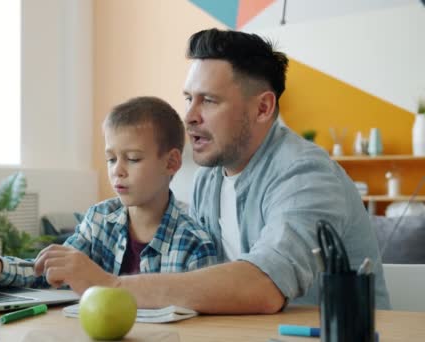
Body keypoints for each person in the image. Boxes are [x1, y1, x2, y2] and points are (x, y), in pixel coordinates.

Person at [33, 28, 391, 313]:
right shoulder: (210, 176)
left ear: (263, 108)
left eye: (209, 100)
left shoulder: (305, 174)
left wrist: (112, 285)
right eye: (189, 98)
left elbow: (263, 287)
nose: (189, 115)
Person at [0, 96, 218, 288]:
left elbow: (200, 322)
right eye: (111, 159)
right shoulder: (98, 220)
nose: (117, 171)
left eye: (132, 159)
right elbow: (49, 271)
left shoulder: (194, 244)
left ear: (171, 163)